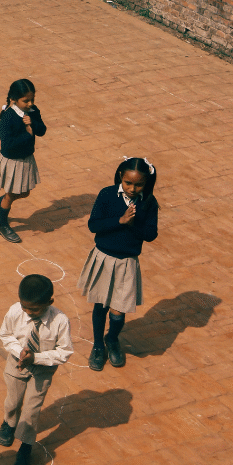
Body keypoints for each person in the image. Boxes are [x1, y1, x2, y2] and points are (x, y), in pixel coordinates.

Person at [76, 157, 159, 370]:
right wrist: (120, 221)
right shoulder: (107, 195)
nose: (132, 188)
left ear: (146, 183)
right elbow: (94, 225)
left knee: (118, 310)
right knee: (100, 305)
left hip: (127, 262)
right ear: (121, 177)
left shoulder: (149, 202)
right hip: (103, 258)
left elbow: (150, 234)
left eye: (138, 184)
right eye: (128, 183)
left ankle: (111, 339)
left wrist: (133, 224)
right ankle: (97, 346)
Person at [0, 274, 73, 465]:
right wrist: (19, 350)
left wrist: (36, 358)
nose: (29, 312)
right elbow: (5, 335)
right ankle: (9, 423)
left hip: (42, 371)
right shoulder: (15, 311)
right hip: (16, 364)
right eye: (25, 307)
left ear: (50, 302)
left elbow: (64, 352)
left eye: (35, 309)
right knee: (12, 401)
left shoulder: (60, 321)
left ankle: (25, 447)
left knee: (31, 409)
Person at [0, 79, 47, 243]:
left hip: (26, 158)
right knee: (12, 193)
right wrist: (27, 134)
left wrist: (33, 123)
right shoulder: (8, 118)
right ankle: (3, 224)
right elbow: (8, 144)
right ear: (14, 99)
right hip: (13, 160)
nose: (30, 103)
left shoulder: (33, 112)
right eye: (25, 101)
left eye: (32, 99)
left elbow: (42, 131)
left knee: (24, 192)